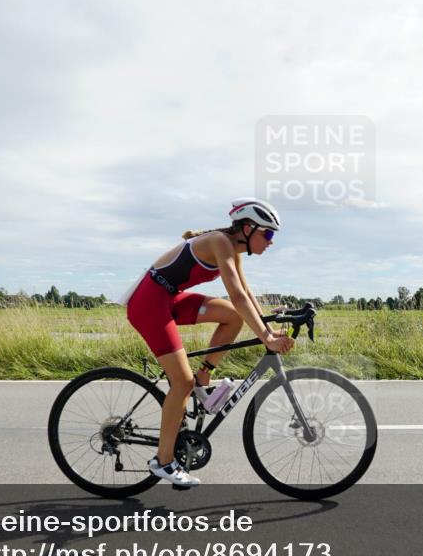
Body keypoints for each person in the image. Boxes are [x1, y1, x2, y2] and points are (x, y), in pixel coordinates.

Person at [119, 198, 295, 488]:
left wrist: (270, 329)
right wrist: (265, 337)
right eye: (269, 234)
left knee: (233, 318)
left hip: (170, 297)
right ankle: (163, 462)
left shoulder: (232, 249)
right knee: (181, 383)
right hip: (150, 302)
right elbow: (236, 295)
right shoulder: (219, 242)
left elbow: (246, 296)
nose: (271, 242)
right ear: (249, 228)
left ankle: (203, 377)